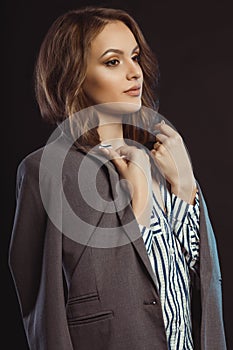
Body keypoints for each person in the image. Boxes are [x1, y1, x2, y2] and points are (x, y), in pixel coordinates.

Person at [9, 6, 226, 350]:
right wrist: (137, 208)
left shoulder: (163, 162)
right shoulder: (48, 170)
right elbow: (44, 308)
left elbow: (198, 281)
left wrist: (185, 188)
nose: (134, 73)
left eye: (135, 57)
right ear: (74, 75)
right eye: (113, 61)